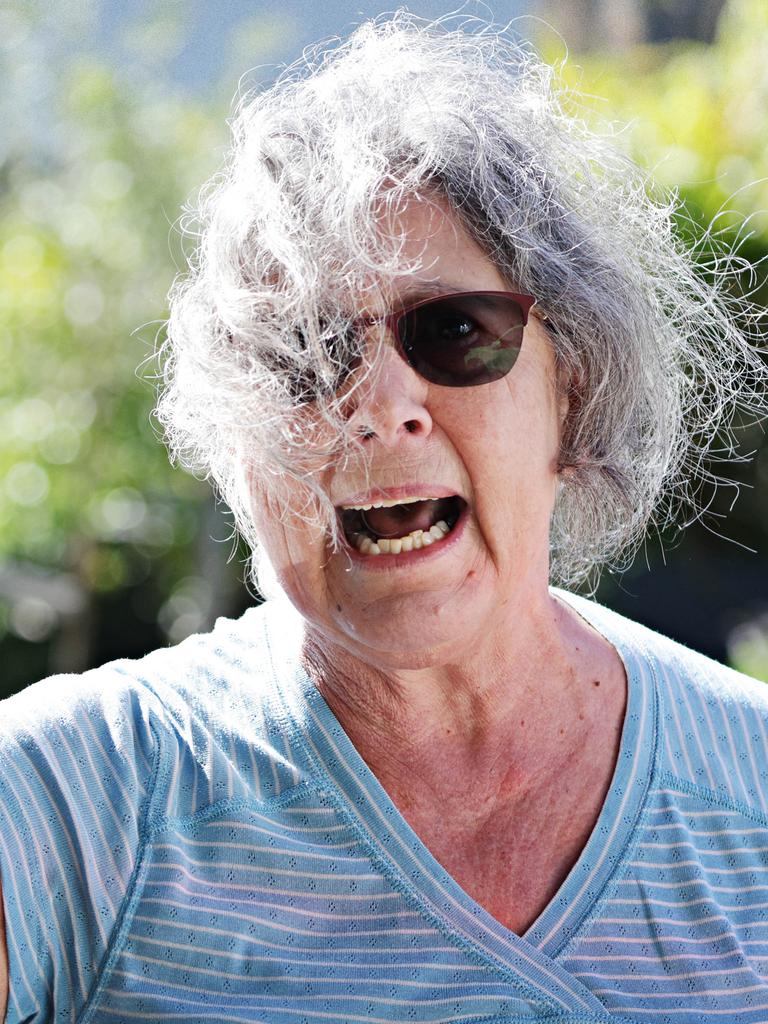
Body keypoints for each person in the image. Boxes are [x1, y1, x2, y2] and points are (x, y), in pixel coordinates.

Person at [1, 14, 768, 1024]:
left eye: (453, 329)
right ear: (238, 443)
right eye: (307, 355)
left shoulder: (751, 797)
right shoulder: (68, 805)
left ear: (571, 390)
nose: (377, 404)